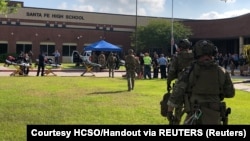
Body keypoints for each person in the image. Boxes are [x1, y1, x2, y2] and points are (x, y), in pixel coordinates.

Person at [166, 40, 235, 125]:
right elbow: (230, 93)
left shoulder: (189, 71)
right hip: (215, 115)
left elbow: (176, 94)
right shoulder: (222, 71)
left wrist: (169, 112)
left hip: (195, 115)